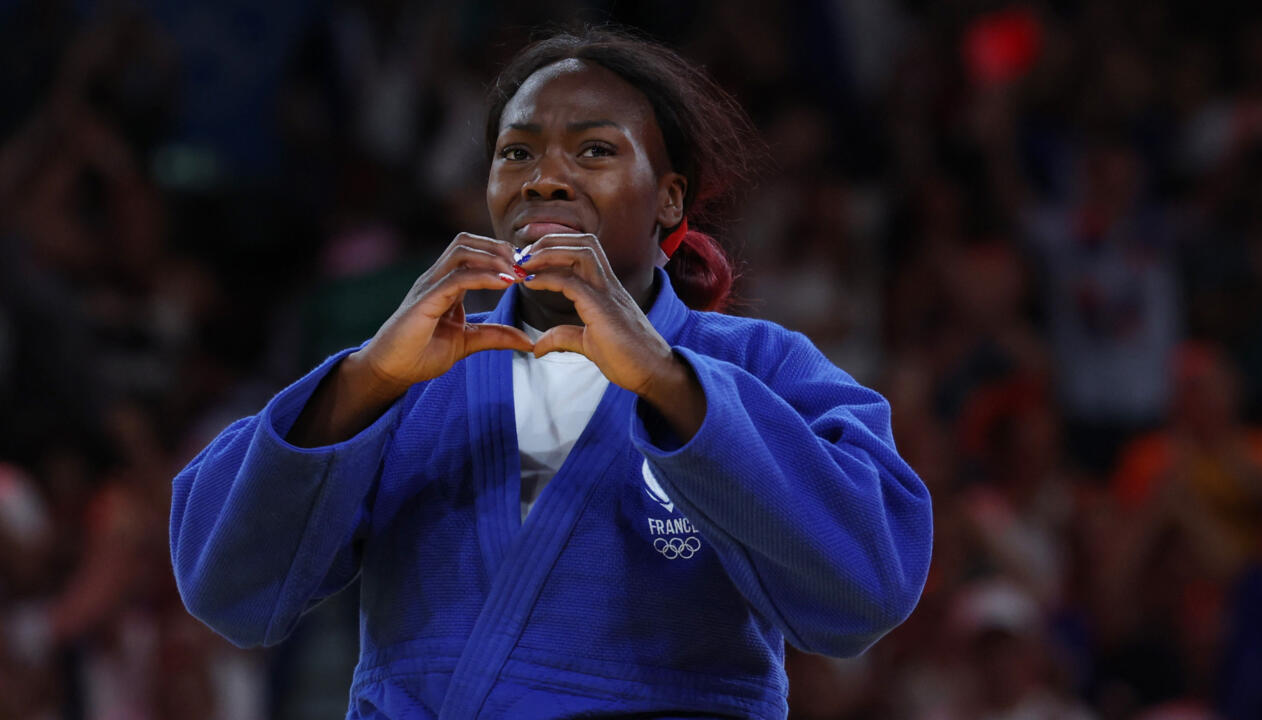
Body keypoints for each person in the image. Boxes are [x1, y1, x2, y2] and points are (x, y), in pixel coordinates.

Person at [170, 28, 933, 719]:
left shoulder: (757, 366)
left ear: (670, 198)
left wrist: (668, 382)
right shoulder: (407, 372)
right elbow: (226, 589)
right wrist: (367, 379)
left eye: (595, 150)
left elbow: (866, 588)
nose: (544, 178)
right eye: (517, 152)